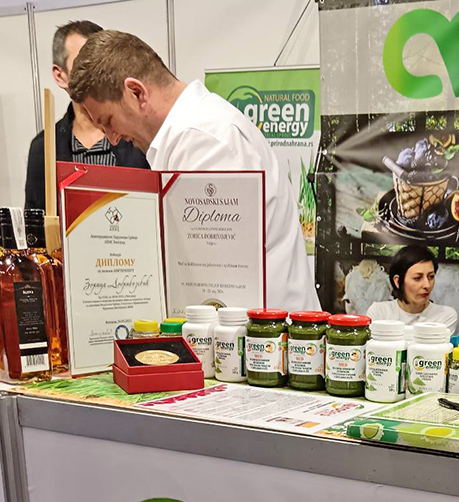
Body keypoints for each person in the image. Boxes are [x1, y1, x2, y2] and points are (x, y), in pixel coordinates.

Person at [68, 30, 319, 312]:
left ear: (136, 92)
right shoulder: (193, 133)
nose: (112, 139)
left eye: (109, 121)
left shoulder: (203, 140)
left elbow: (214, 284)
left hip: (263, 333)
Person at [24, 21, 148, 211]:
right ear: (60, 75)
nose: (94, 73)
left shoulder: (137, 135)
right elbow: (36, 222)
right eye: (82, 64)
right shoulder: (44, 147)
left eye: (101, 62)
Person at [367, 245, 458, 333]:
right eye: (417, 278)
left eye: (431, 277)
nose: (427, 285)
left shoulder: (444, 316)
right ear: (397, 281)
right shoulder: (379, 313)